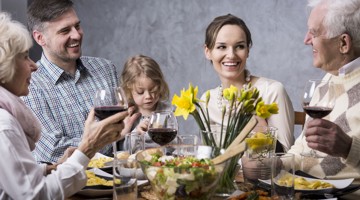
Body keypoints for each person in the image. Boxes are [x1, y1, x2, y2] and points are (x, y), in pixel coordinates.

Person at [0, 12, 127, 199]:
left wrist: (52, 168)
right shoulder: (5, 126)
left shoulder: (8, 113)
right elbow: (36, 195)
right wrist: (87, 148)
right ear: (4, 66)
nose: (33, 66)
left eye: (77, 26)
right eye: (25, 57)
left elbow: (16, 174)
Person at [23, 0, 138, 163]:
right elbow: (54, 151)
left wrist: (136, 135)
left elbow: (121, 137)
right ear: (40, 38)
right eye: (64, 31)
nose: (76, 35)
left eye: (77, 26)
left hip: (115, 181)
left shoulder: (105, 68)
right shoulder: (30, 84)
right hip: (69, 186)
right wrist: (109, 136)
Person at [288, 0, 360, 186]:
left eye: (314, 32)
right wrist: (269, 163)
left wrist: (348, 148)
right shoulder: (327, 79)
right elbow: (301, 150)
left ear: (343, 43)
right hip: (307, 190)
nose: (306, 40)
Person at [201, 14, 295, 152]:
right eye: (222, 47)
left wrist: (262, 133)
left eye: (239, 46)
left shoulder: (272, 91)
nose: (231, 55)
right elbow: (209, 157)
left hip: (264, 174)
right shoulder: (207, 100)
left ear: (248, 51)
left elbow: (286, 156)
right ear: (208, 52)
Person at [120, 54, 172, 148]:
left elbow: (174, 144)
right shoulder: (128, 115)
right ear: (129, 88)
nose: (148, 96)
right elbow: (124, 149)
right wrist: (136, 133)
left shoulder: (167, 111)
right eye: (140, 92)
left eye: (153, 90)